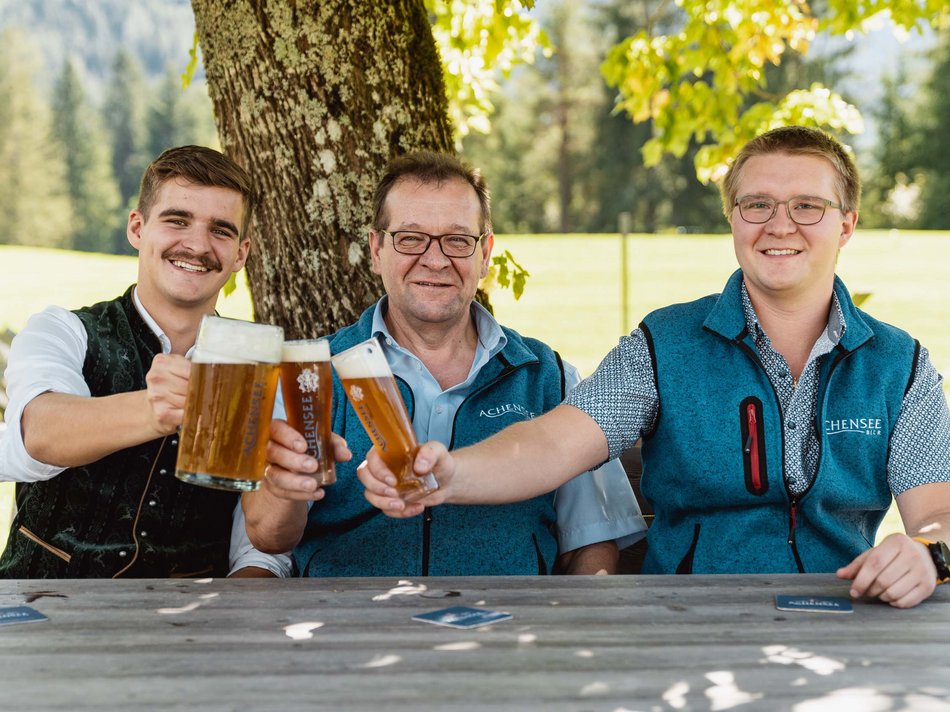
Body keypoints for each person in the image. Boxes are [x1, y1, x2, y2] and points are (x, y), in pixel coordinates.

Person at [358, 126, 950, 607]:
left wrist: (927, 554)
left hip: (844, 616)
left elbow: (938, 516)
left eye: (808, 206)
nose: (779, 224)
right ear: (733, 219)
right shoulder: (664, 344)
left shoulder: (899, 366)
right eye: (757, 204)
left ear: (846, 224)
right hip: (685, 622)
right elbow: (551, 445)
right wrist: (446, 473)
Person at [240, 150, 646, 577]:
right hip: (350, 631)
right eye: (411, 238)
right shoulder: (308, 374)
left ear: (485, 253)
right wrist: (283, 489)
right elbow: (266, 540)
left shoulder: (549, 377)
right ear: (376, 250)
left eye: (457, 240)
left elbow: (592, 541)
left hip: (509, 631)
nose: (435, 260)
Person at [0, 145, 268, 578]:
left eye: (221, 230)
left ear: (241, 253)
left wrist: (231, 623)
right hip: (46, 611)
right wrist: (154, 409)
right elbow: (40, 431)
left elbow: (260, 547)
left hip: (187, 625)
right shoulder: (64, 330)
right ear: (138, 228)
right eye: (177, 220)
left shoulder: (260, 366)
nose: (198, 244)